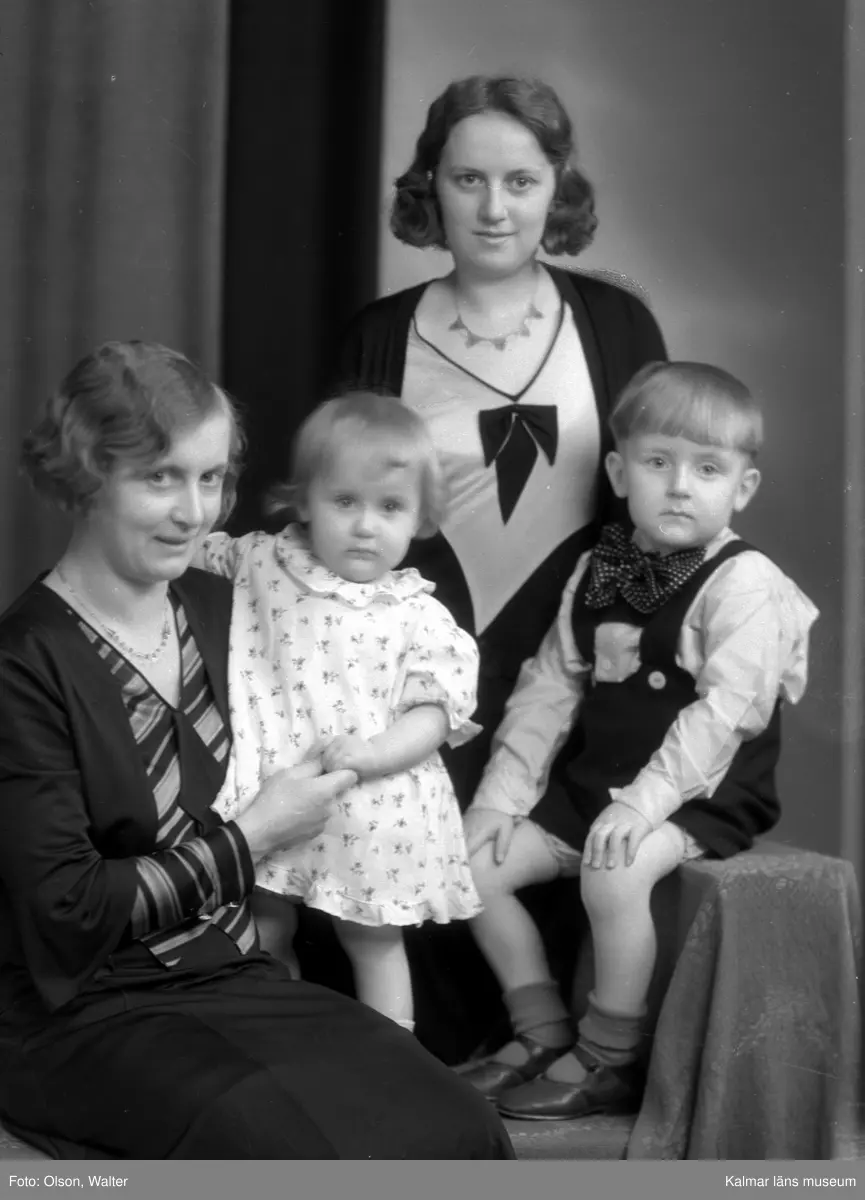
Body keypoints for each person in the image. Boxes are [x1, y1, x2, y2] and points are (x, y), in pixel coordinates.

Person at [0, 340, 514, 1160]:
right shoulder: (25, 661)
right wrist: (253, 838)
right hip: (85, 1009)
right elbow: (69, 911)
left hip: (233, 976)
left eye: (210, 478)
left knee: (460, 1125)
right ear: (85, 474)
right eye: (160, 477)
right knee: (298, 1148)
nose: (194, 512)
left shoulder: (230, 604)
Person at [329, 73, 668, 1062]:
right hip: (422, 674)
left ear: (556, 187)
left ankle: (560, 1050)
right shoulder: (378, 336)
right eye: (466, 179)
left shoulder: (616, 324)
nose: (492, 208)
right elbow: (343, 525)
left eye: (519, 181)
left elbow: (658, 514)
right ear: (429, 186)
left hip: (577, 668)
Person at [457, 361, 818, 1120]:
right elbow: (549, 689)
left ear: (742, 488)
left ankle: (607, 1055)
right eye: (658, 462)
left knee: (613, 874)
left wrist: (644, 806)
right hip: (595, 785)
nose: (680, 486)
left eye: (707, 468)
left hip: (698, 793)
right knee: (470, 867)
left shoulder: (746, 582)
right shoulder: (597, 568)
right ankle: (540, 1029)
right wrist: (499, 800)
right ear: (620, 473)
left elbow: (725, 715)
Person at [195, 391, 483, 1033]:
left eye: (390, 507)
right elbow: (184, 551)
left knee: (373, 944)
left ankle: (393, 1063)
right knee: (263, 926)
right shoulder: (260, 562)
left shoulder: (418, 614)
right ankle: (281, 1043)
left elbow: (435, 714)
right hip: (274, 797)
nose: (365, 526)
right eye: (345, 501)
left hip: (371, 810)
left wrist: (375, 753)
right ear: (304, 501)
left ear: (420, 519)